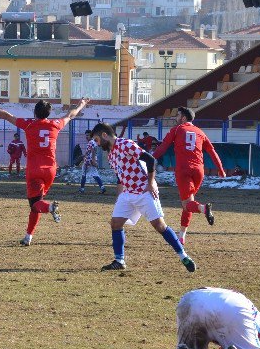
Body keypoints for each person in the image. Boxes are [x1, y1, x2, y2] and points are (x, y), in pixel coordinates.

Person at [0, 97, 90, 246]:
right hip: (50, 170)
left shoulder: (29, 125)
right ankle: (28, 236)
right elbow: (70, 114)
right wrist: (81, 104)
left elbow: (6, 116)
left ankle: (50, 207)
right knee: (37, 204)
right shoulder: (55, 124)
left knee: (36, 204)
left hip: (35, 170)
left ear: (35, 113)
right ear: (48, 114)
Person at [91, 123, 196, 272]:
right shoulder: (111, 154)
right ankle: (119, 260)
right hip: (127, 194)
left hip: (143, 191)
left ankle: (183, 256)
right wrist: (120, 196)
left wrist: (151, 182)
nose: (96, 143)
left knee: (160, 226)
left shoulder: (125, 144)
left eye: (96, 139)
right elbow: (120, 178)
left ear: (104, 135)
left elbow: (150, 159)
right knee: (115, 223)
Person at [152, 107, 225, 245]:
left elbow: (163, 147)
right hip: (199, 170)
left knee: (187, 204)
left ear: (184, 118)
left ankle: (204, 208)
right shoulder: (200, 132)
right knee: (188, 202)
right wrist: (220, 169)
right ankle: (182, 236)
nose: (176, 118)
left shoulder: (177, 129)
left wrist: (150, 158)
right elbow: (212, 151)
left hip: (183, 170)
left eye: (178, 115)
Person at [79, 129, 106, 194]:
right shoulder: (92, 142)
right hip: (90, 160)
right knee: (94, 174)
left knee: (84, 174)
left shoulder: (91, 142)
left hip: (89, 161)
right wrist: (84, 156)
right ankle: (102, 187)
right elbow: (89, 151)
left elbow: (93, 151)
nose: (86, 137)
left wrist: (92, 160)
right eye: (86, 135)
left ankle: (82, 189)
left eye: (88, 135)